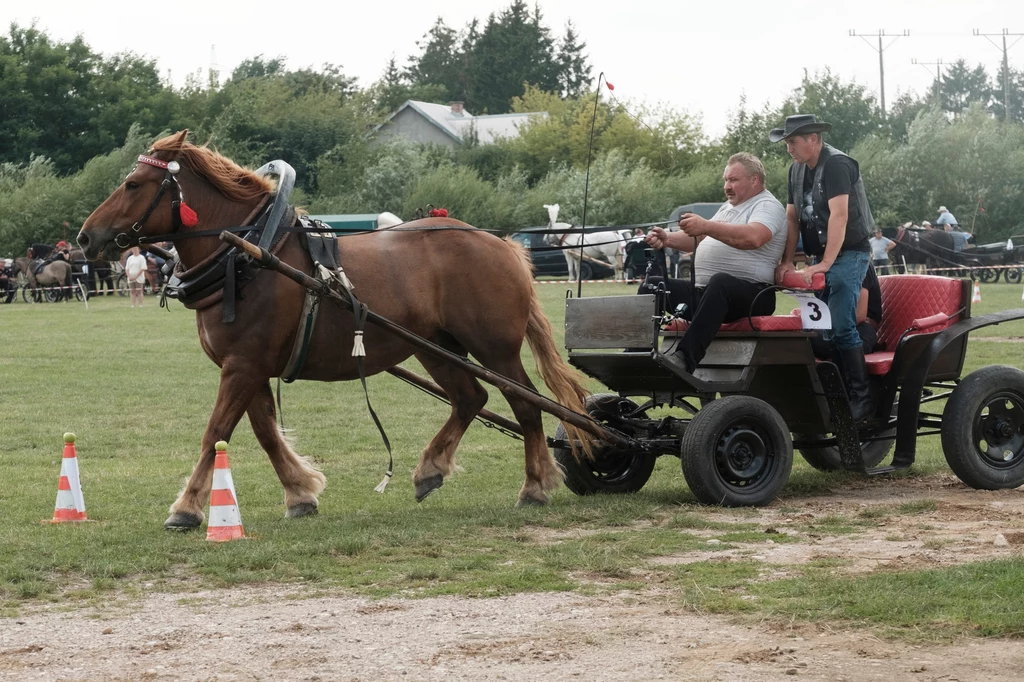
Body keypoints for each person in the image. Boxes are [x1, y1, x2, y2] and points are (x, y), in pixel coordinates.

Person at [639, 152, 787, 374]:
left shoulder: (767, 206)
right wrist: (667, 238)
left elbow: (754, 237)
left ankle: (684, 359)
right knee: (652, 286)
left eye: (733, 180)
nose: (727, 186)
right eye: (726, 180)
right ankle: (637, 354)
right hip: (710, 295)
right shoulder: (728, 207)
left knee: (721, 283)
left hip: (755, 296)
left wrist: (707, 226)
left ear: (754, 179)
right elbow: (698, 238)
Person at [771, 114, 876, 422]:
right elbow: (792, 218)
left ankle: (863, 396)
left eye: (793, 142)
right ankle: (836, 390)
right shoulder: (796, 171)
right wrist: (788, 260)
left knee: (842, 323)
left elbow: (839, 216)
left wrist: (827, 263)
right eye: (787, 143)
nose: (789, 148)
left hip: (851, 252)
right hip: (822, 256)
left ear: (813, 139)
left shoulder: (838, 165)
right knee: (821, 328)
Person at [810, 265, 882, 360]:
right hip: (833, 325)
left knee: (809, 339)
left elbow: (859, 315)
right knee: (801, 335)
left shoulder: (860, 262)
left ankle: (855, 374)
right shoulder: (822, 264)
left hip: (860, 328)